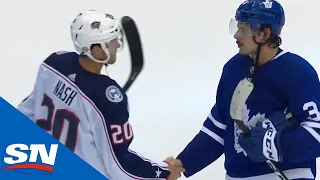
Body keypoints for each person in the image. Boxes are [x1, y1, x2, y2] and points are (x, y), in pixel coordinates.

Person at [16, 10, 184, 180]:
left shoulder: (54, 63)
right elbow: (118, 166)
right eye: (111, 42)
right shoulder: (108, 98)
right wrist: (164, 172)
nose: (117, 46)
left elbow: (25, 114)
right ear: (96, 50)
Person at [165, 0, 320, 179]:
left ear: (264, 34)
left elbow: (316, 131)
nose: (236, 35)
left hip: (288, 174)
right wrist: (183, 163)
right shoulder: (233, 69)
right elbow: (219, 128)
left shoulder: (296, 71)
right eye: (236, 27)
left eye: (243, 29)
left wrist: (275, 146)